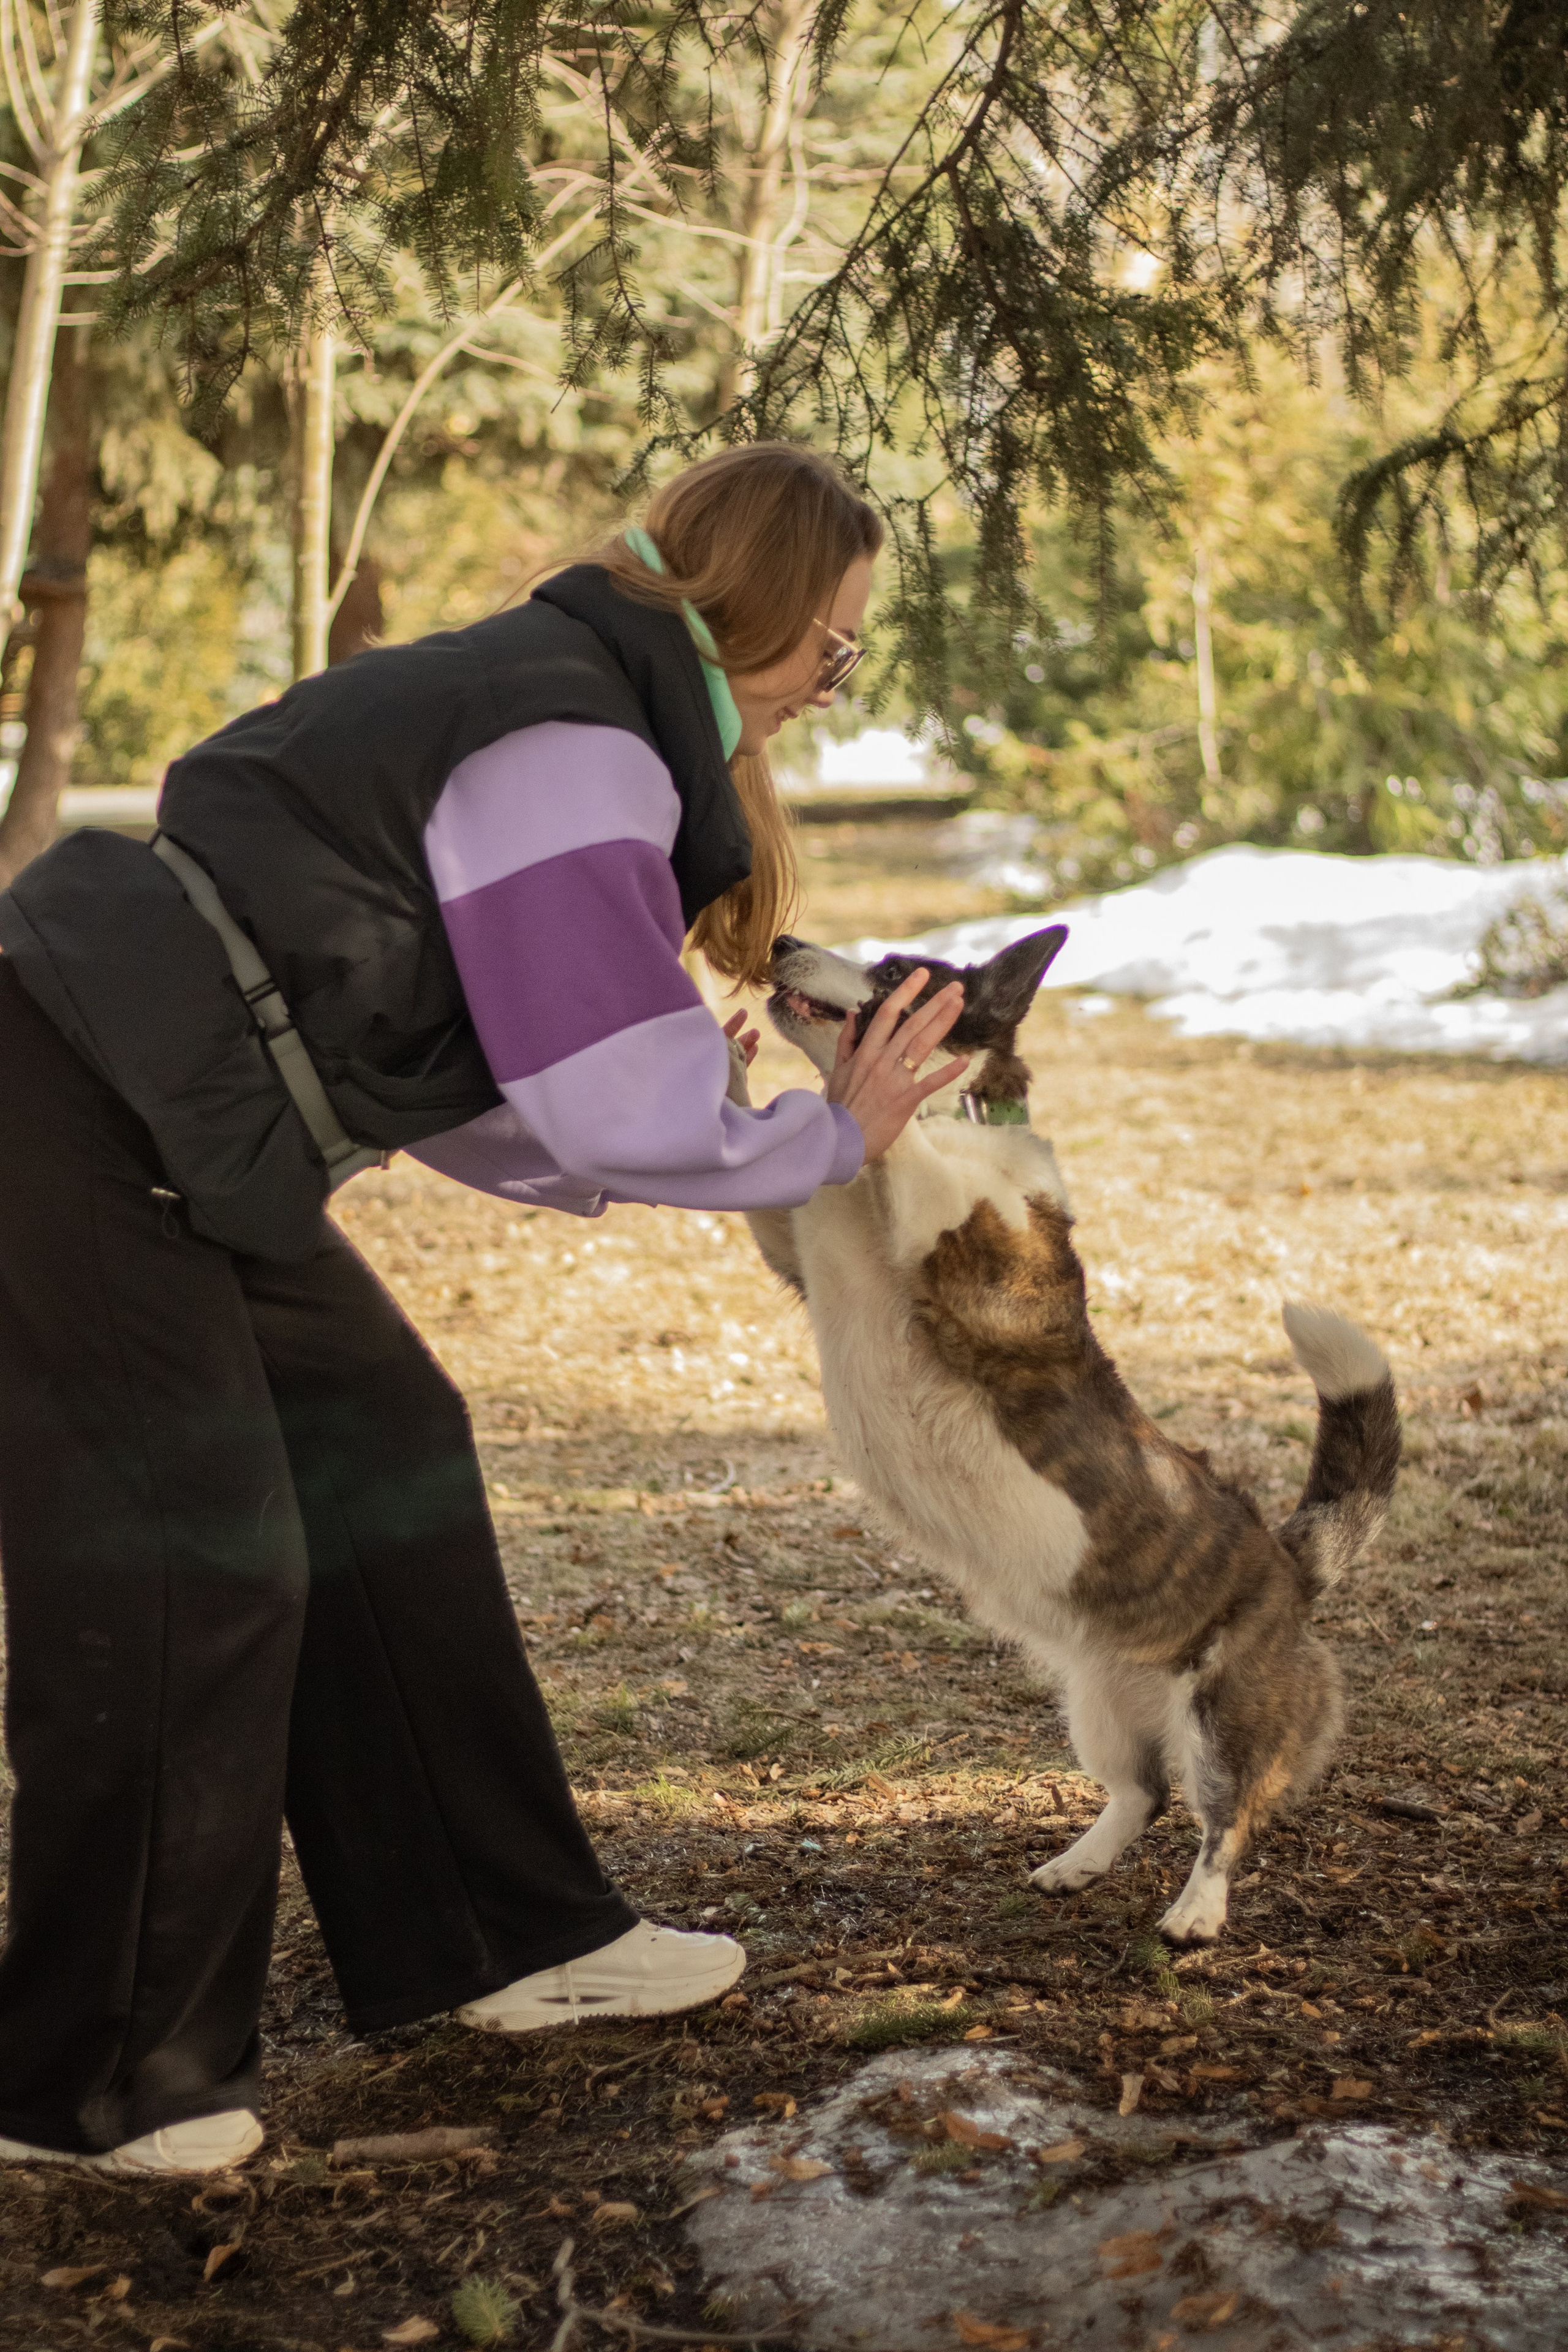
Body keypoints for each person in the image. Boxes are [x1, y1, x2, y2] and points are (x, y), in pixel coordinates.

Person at [0, 443, 970, 2176]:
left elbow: (478, 1081)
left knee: (385, 1446)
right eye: (839, 649)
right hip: (68, 1092)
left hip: (181, 1114)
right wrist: (818, 1136)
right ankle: (88, 2087)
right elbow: (604, 1094)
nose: (835, 687)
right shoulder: (574, 734)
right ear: (756, 611)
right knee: (191, 1553)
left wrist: (705, 1119)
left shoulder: (566, 708)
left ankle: (492, 1933)